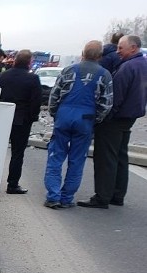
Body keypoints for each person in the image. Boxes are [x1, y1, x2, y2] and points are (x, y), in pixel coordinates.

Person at [78, 35, 147, 209]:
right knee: (120, 156)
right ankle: (117, 194)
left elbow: (114, 98)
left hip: (115, 119)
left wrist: (102, 118)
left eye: (121, 48)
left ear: (133, 48)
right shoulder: (142, 65)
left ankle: (102, 197)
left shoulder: (127, 68)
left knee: (106, 158)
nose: (118, 52)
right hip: (130, 117)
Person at [43, 41, 113, 209]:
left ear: (83, 53)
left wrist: (55, 114)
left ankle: (53, 196)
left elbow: (55, 95)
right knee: (77, 160)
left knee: (56, 156)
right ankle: (67, 198)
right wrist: (95, 120)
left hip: (64, 115)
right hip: (86, 119)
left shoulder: (68, 70)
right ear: (100, 56)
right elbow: (107, 103)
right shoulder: (104, 75)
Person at [0, 49, 42, 194]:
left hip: (2, 119)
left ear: (15, 60)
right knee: (17, 153)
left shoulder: (2, 77)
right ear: (29, 62)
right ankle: (12, 184)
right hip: (21, 121)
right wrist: (32, 118)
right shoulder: (32, 79)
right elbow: (36, 102)